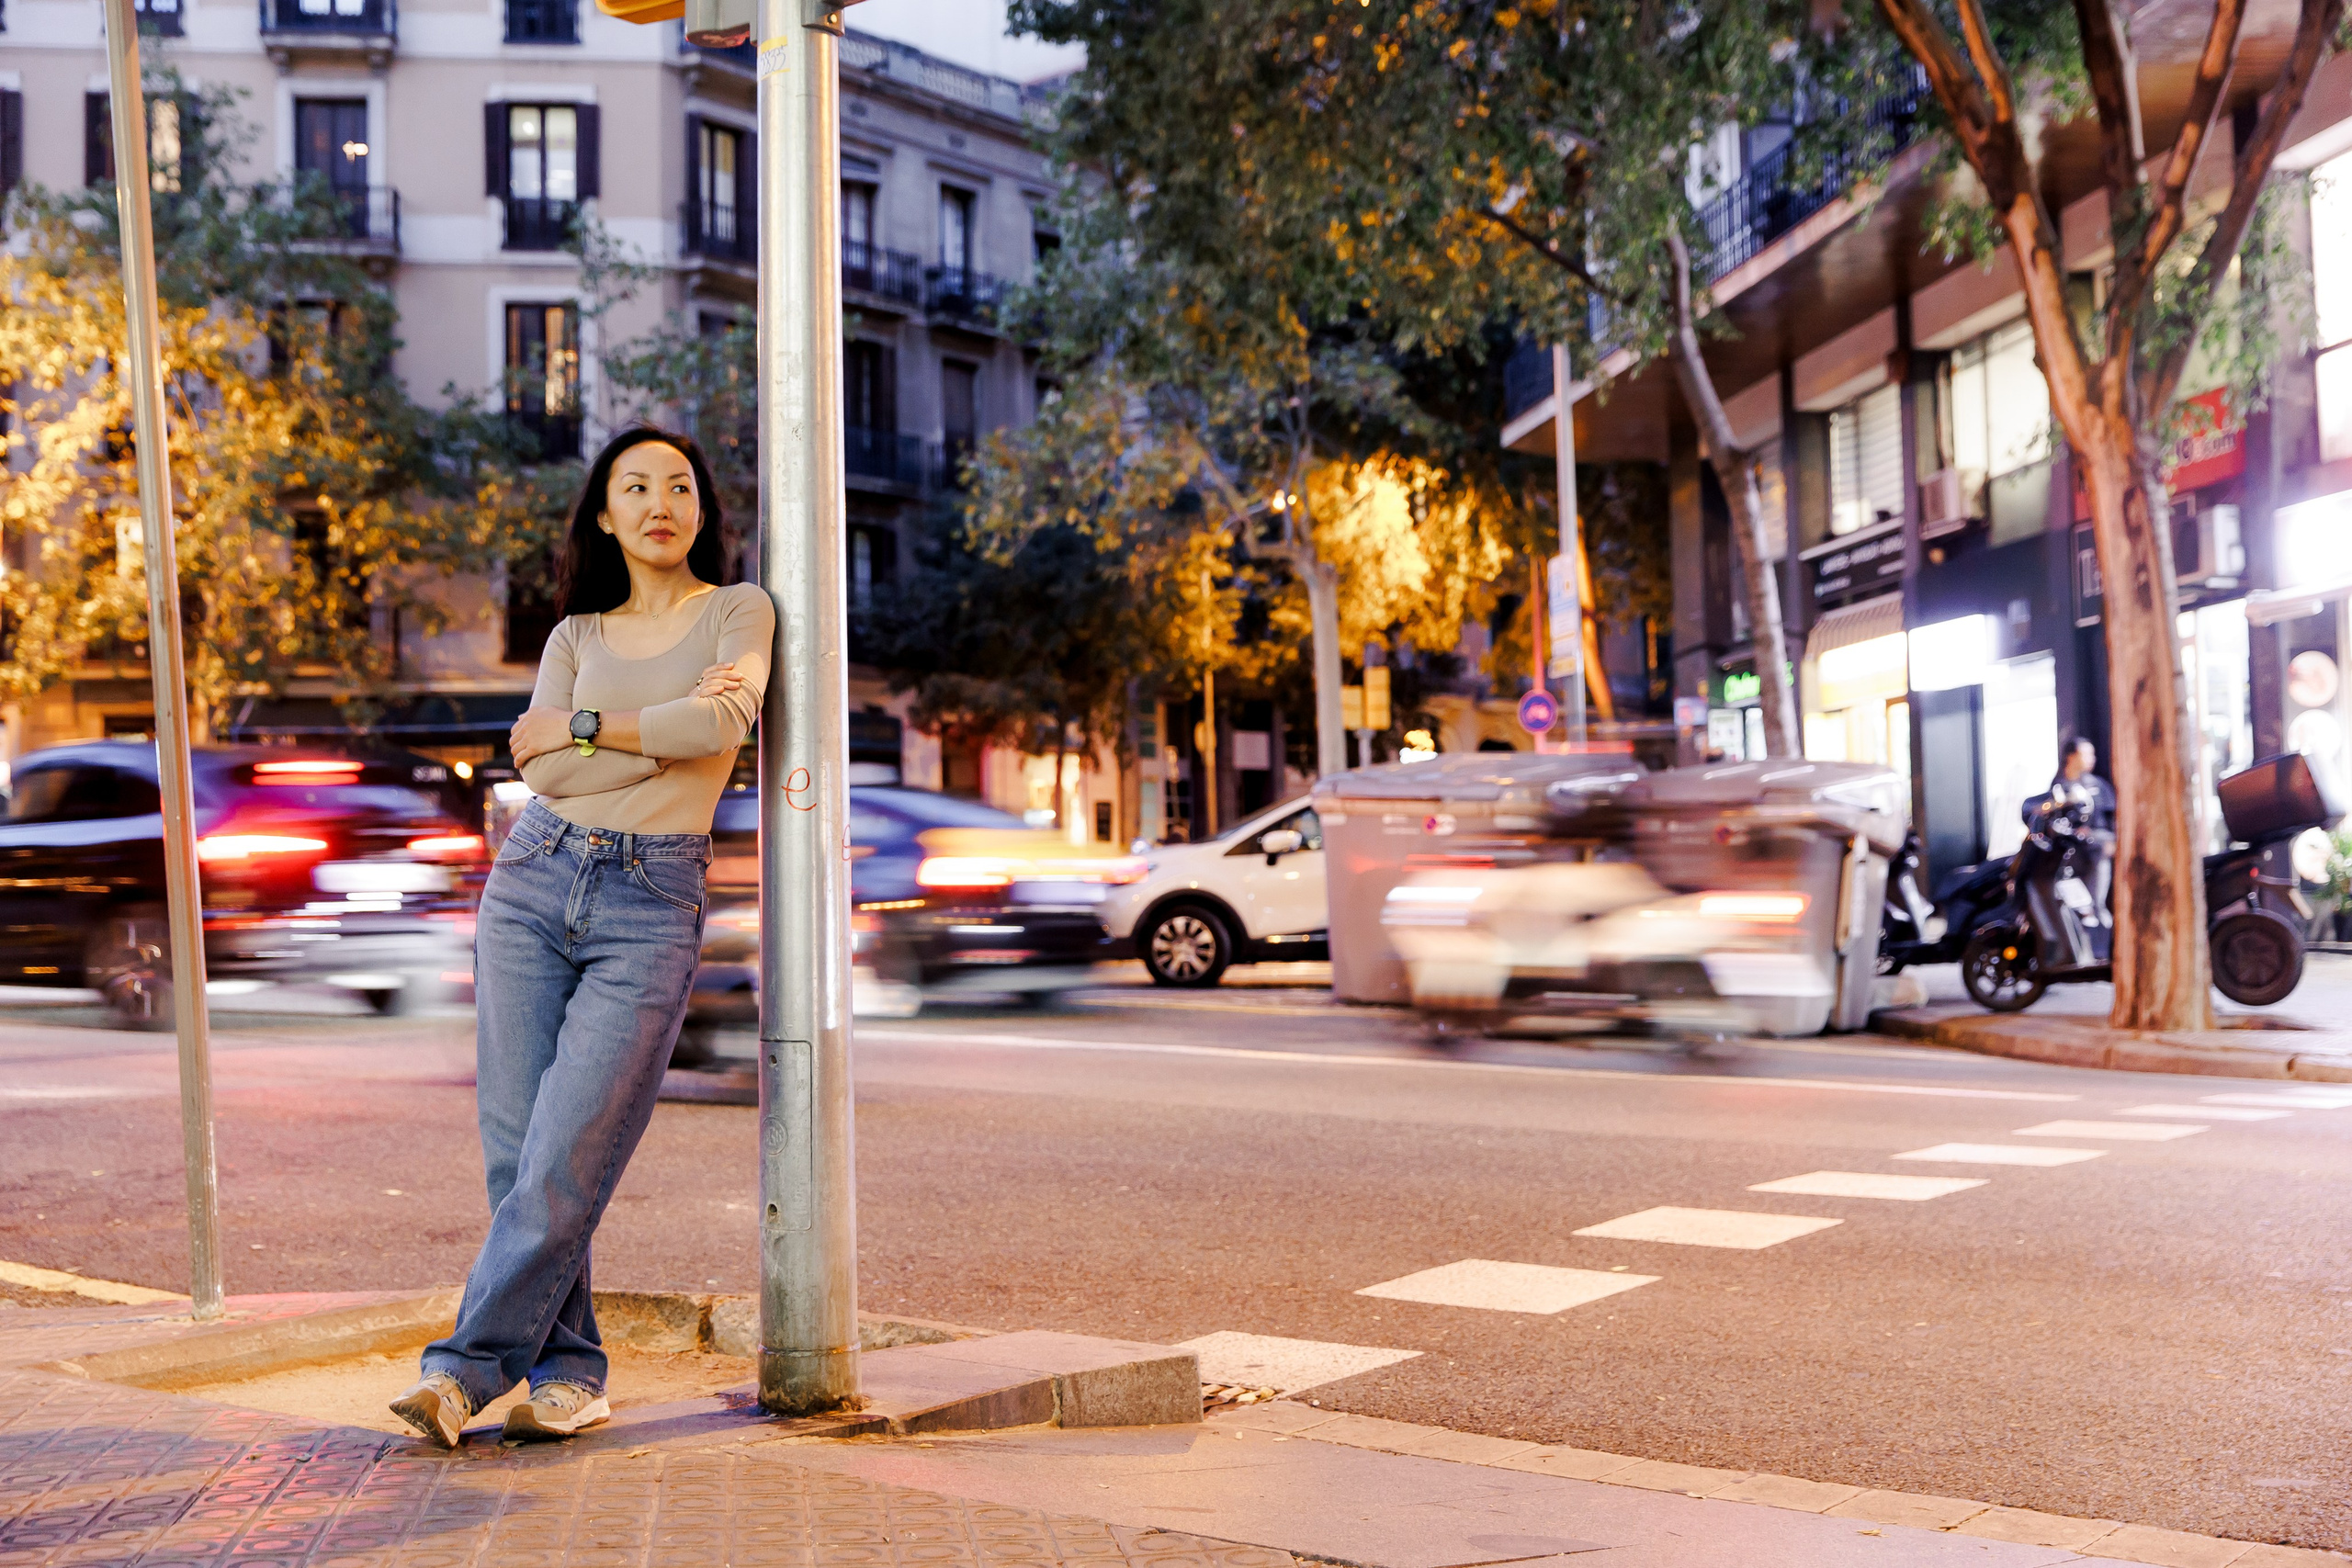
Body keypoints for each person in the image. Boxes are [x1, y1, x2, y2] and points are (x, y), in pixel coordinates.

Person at [390, 426, 772, 1447]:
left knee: (568, 1152)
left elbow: (719, 726)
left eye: (679, 486)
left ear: (701, 510)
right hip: (532, 879)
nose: (660, 501)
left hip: (651, 901)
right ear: (604, 513)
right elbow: (543, 776)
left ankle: (464, 1372)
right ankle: (568, 1368)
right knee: (518, 1160)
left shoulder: (736, 611)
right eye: (635, 485)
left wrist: (595, 730)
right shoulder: (575, 635)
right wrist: (653, 740)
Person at [2054, 735, 2117, 913]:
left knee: (2103, 845)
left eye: (2093, 754)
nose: (2092, 759)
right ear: (2071, 757)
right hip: (2068, 851)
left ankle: (2096, 911)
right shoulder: (2058, 788)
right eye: (2086, 754)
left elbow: (2111, 824)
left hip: (2095, 847)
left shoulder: (2099, 786)